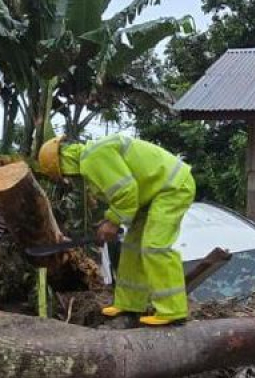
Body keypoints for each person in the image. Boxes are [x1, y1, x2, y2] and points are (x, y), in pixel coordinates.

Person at [38, 133, 195, 326]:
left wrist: (112, 222)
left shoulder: (92, 158)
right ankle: (130, 304)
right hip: (152, 194)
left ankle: (173, 311)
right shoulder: (92, 157)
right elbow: (126, 191)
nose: (69, 179)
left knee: (155, 246)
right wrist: (109, 219)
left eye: (65, 175)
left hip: (172, 188)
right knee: (132, 248)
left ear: (61, 165)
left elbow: (126, 191)